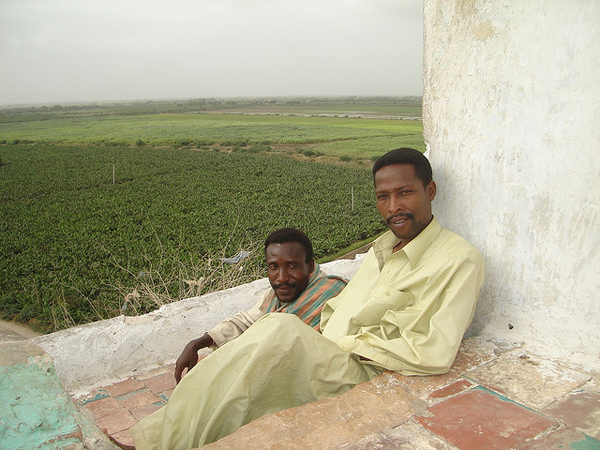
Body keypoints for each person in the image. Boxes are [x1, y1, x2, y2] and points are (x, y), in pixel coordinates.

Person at [117, 148, 484, 450]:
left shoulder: (458, 259)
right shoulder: (381, 249)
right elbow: (338, 310)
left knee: (265, 353)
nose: (393, 207)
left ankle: (163, 443)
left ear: (430, 191)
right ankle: (160, 435)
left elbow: (434, 353)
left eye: (405, 192)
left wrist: (344, 341)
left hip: (367, 369)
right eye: (383, 197)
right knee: (240, 357)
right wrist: (207, 339)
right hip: (330, 350)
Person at [173, 227, 347, 383]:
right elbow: (248, 321)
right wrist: (197, 343)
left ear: (309, 267)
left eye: (292, 266)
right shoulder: (277, 295)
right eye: (273, 267)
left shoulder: (333, 296)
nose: (282, 277)